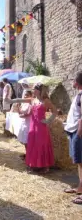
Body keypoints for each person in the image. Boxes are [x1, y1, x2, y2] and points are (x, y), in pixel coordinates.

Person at [8, 83, 57, 173]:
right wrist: (9, 100)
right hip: (32, 126)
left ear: (39, 90)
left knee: (41, 145)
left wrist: (48, 121)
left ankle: (45, 167)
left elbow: (55, 111)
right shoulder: (33, 100)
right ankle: (34, 165)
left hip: (41, 127)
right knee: (32, 145)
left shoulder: (46, 101)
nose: (32, 90)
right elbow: (20, 99)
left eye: (34, 89)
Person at [64, 71, 82, 204]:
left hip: (78, 132)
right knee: (79, 163)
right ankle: (80, 188)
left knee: (81, 163)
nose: (71, 82)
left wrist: (79, 133)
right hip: (74, 131)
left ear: (77, 82)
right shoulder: (79, 95)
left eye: (72, 80)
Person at [17, 90, 33, 160]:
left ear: (30, 96)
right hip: (23, 123)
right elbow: (20, 112)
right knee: (24, 141)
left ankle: (29, 155)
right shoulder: (24, 104)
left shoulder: (31, 104)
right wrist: (18, 108)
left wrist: (21, 115)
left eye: (27, 95)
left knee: (27, 141)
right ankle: (27, 154)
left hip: (28, 123)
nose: (25, 96)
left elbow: (28, 114)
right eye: (25, 95)